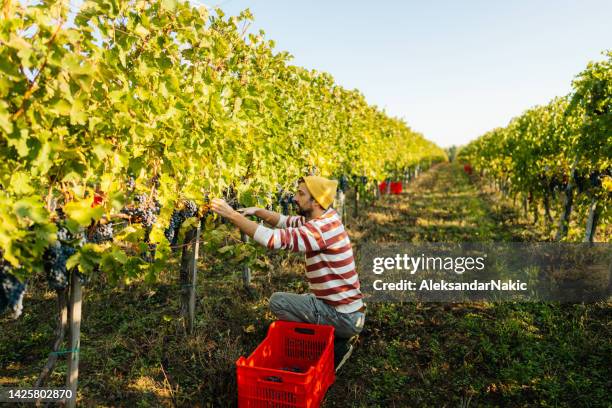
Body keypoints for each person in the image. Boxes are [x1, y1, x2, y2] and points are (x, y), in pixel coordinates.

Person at [210, 176, 366, 372]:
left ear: (316, 201)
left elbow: (272, 239)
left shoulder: (320, 229)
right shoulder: (326, 217)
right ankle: (331, 337)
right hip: (347, 311)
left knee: (278, 302)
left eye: (301, 194)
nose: (294, 197)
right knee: (300, 302)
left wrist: (232, 215)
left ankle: (334, 345)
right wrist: (257, 211)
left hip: (345, 318)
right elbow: (285, 221)